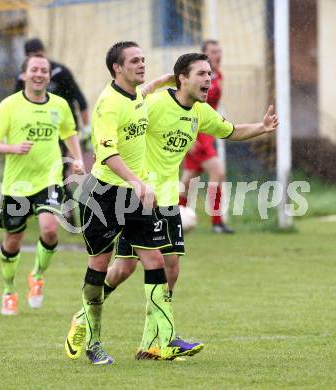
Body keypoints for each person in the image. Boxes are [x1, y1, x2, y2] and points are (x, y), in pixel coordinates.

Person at [66, 52, 279, 360]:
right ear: (184, 78)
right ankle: (85, 318)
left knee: (170, 267)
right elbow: (122, 129)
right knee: (124, 268)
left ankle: (153, 342)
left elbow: (230, 130)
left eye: (210, 74)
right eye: (202, 74)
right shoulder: (153, 104)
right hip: (137, 194)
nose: (209, 79)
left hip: (167, 198)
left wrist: (261, 127)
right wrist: (94, 166)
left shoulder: (200, 112)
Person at [64, 42, 202, 366]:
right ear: (117, 68)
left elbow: (150, 87)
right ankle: (92, 339)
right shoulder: (107, 104)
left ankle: (163, 340)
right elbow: (108, 154)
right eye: (135, 61)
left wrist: (172, 78)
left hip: (136, 196)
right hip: (104, 194)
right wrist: (138, 182)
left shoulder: (137, 93)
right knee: (99, 266)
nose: (142, 64)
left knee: (156, 263)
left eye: (143, 59)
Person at [0, 54, 85, 315]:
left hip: (49, 179)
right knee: (12, 241)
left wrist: (76, 159)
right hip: (16, 186)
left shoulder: (60, 105)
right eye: (34, 70)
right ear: (24, 75)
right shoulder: (9, 106)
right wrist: (13, 147)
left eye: (44, 70)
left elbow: (69, 133)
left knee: (50, 230)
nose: (39, 74)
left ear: (49, 76)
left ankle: (37, 276)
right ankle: (9, 290)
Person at [15, 38, 90, 227]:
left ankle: (69, 213)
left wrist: (86, 129)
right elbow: (16, 105)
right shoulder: (22, 77)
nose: (37, 63)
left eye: (39, 54)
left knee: (58, 172)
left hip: (61, 133)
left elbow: (80, 101)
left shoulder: (60, 72)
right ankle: (35, 212)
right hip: (34, 134)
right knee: (35, 172)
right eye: (31, 57)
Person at [179, 39, 233, 233]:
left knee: (188, 180)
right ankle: (217, 222)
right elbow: (191, 105)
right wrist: (189, 137)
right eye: (212, 52)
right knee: (217, 172)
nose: (217, 55)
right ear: (204, 55)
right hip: (196, 133)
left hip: (208, 132)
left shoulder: (218, 75)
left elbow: (213, 106)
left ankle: (174, 216)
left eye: (219, 51)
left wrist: (219, 121)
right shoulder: (198, 79)